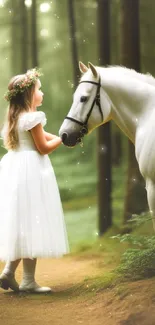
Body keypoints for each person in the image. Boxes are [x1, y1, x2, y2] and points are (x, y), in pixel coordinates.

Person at [0, 68, 69, 293]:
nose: (42, 92)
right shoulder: (33, 118)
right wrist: (64, 141)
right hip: (32, 171)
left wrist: (64, 136)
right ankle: (28, 280)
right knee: (33, 221)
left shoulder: (16, 118)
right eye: (39, 89)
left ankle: (9, 273)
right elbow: (44, 147)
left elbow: (48, 136)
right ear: (29, 94)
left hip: (15, 169)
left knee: (23, 223)